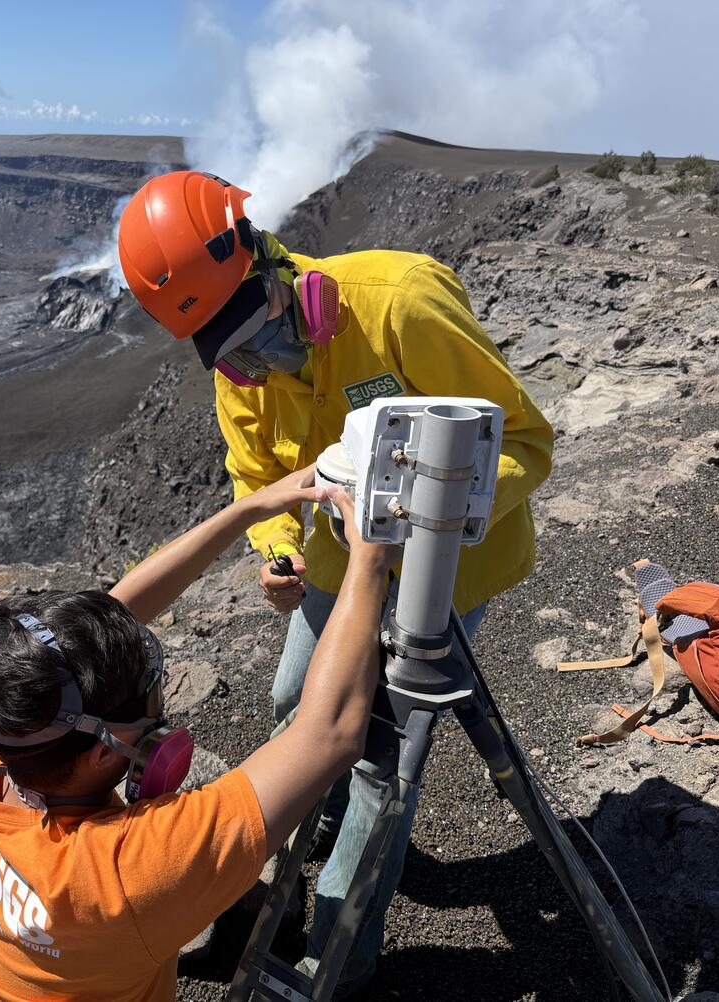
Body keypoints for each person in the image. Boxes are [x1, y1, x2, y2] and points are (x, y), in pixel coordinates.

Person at [116, 169, 555, 991]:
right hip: (334, 565)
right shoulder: (238, 369)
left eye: (253, 330)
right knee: (294, 702)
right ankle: (324, 831)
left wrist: (422, 525)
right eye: (228, 351)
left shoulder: (399, 302)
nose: (252, 361)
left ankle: (336, 960)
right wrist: (277, 551)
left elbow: (527, 441)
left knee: (377, 751)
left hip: (444, 575)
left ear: (272, 270)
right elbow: (255, 474)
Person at [0, 467, 399, 1001]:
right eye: (150, 687)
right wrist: (371, 560)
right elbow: (331, 732)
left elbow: (113, 617)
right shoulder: (124, 870)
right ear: (104, 750)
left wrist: (247, 510)